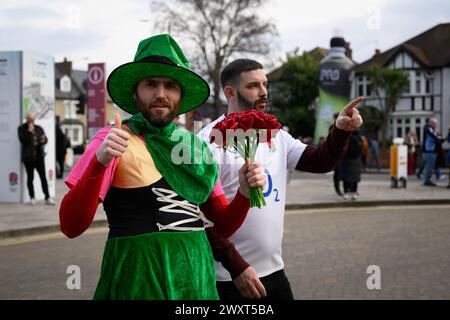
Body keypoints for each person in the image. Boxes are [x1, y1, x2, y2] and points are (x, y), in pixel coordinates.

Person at [58, 34, 266, 300]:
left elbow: (221, 225)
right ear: (135, 92)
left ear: (180, 95)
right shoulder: (112, 139)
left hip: (196, 284)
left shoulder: (195, 147)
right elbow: (70, 226)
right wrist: (99, 163)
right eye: (151, 84)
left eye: (170, 85)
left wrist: (245, 194)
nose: (160, 94)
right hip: (136, 284)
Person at [198, 58, 364, 300]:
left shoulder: (276, 134)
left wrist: (340, 131)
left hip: (275, 271)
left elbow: (320, 161)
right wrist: (236, 267)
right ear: (230, 92)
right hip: (231, 278)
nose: (264, 91)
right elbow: (200, 219)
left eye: (265, 84)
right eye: (254, 85)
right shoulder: (206, 141)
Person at [17, 112, 54, 205]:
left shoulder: (38, 128)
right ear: (27, 119)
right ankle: (32, 197)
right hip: (28, 157)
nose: (32, 121)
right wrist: (29, 132)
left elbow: (45, 139)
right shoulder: (21, 128)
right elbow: (23, 140)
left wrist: (43, 140)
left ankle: (47, 197)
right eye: (30, 119)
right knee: (30, 177)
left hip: (39, 157)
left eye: (33, 119)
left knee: (43, 177)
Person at [338, 129, 363, 200]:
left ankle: (346, 193)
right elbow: (362, 149)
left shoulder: (345, 138)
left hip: (346, 160)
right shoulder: (359, 138)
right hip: (356, 160)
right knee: (355, 178)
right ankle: (354, 193)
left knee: (345, 177)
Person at [422, 118, 445, 186]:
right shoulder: (429, 128)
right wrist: (442, 139)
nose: (436, 125)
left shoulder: (429, 128)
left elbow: (435, 135)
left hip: (429, 151)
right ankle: (427, 181)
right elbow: (434, 136)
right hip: (429, 151)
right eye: (435, 124)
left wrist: (440, 138)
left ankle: (427, 180)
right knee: (429, 167)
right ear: (432, 123)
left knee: (429, 166)